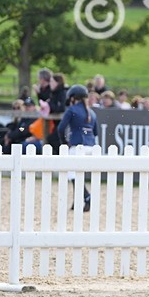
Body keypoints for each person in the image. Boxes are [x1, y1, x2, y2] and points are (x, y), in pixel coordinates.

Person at [57, 84, 97, 212]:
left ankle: (87, 196)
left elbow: (60, 128)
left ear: (74, 98)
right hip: (90, 147)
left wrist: (64, 143)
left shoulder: (72, 110)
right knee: (78, 175)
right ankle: (77, 201)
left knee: (72, 175)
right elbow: (96, 132)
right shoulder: (92, 112)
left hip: (77, 146)